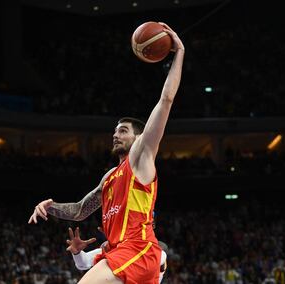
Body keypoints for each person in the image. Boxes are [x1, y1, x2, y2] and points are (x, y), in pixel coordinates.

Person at [28, 21, 185, 284]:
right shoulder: (110, 177)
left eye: (123, 130)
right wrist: (50, 206)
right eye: (115, 130)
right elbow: (79, 210)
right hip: (119, 252)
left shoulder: (141, 157)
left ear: (138, 137)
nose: (116, 134)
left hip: (137, 249)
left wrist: (179, 52)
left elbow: (166, 100)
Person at [65, 227, 168, 283]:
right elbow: (83, 264)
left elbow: (161, 257)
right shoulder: (116, 248)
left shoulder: (157, 251)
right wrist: (77, 252)